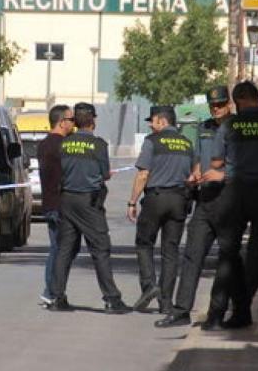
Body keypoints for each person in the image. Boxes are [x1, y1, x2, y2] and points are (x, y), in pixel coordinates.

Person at [155, 86, 238, 328]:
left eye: (220, 104)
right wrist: (195, 173)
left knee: (228, 258)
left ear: (229, 104)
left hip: (228, 198)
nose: (216, 109)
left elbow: (243, 164)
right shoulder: (205, 127)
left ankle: (219, 313)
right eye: (213, 105)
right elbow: (200, 159)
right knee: (192, 254)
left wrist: (222, 175)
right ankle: (181, 311)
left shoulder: (237, 128)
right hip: (205, 199)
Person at [208, 81, 258, 332]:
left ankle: (235, 312)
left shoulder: (231, 125)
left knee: (229, 254)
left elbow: (217, 162)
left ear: (240, 100)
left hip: (236, 192)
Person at [49, 103, 131, 314]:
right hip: (89, 202)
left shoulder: (64, 144)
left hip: (67, 200)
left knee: (65, 249)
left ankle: (57, 297)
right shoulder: (99, 145)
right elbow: (104, 173)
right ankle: (112, 299)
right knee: (101, 249)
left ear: (75, 121)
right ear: (93, 121)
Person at [127, 105, 199, 314]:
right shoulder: (187, 143)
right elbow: (195, 172)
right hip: (179, 200)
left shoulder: (152, 141)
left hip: (156, 199)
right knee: (171, 251)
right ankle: (166, 302)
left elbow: (142, 174)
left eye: (152, 121)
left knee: (144, 243)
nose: (150, 125)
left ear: (161, 121)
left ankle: (149, 286)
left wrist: (132, 202)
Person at [38, 104, 78, 307]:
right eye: (71, 120)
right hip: (60, 204)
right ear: (62, 122)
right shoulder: (62, 145)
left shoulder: (44, 144)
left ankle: (52, 289)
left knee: (58, 248)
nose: (74, 123)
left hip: (49, 203)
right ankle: (51, 290)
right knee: (60, 250)